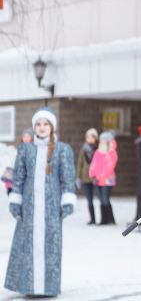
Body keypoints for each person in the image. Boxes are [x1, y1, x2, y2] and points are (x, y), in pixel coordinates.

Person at [4, 107, 76, 297]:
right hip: (29, 206)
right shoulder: (26, 150)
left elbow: (68, 178)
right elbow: (18, 177)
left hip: (51, 209)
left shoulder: (62, 150)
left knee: (50, 245)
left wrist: (67, 200)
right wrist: (15, 201)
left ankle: (48, 287)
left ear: (52, 127)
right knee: (27, 244)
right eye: (38, 124)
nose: (42, 127)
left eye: (45, 124)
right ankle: (28, 285)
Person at [89, 131, 118, 225]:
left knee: (105, 199)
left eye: (103, 139)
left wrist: (101, 176)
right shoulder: (98, 151)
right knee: (101, 200)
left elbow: (110, 166)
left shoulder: (112, 152)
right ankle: (103, 220)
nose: (101, 141)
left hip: (107, 180)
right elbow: (94, 164)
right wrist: (93, 175)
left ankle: (110, 219)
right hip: (97, 180)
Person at [77, 128, 98, 224]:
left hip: (96, 177)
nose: (89, 138)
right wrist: (78, 177)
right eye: (88, 136)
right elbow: (80, 163)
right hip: (85, 177)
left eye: (92, 136)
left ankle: (104, 219)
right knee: (89, 200)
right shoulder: (84, 149)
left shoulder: (98, 149)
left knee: (102, 199)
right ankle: (92, 219)